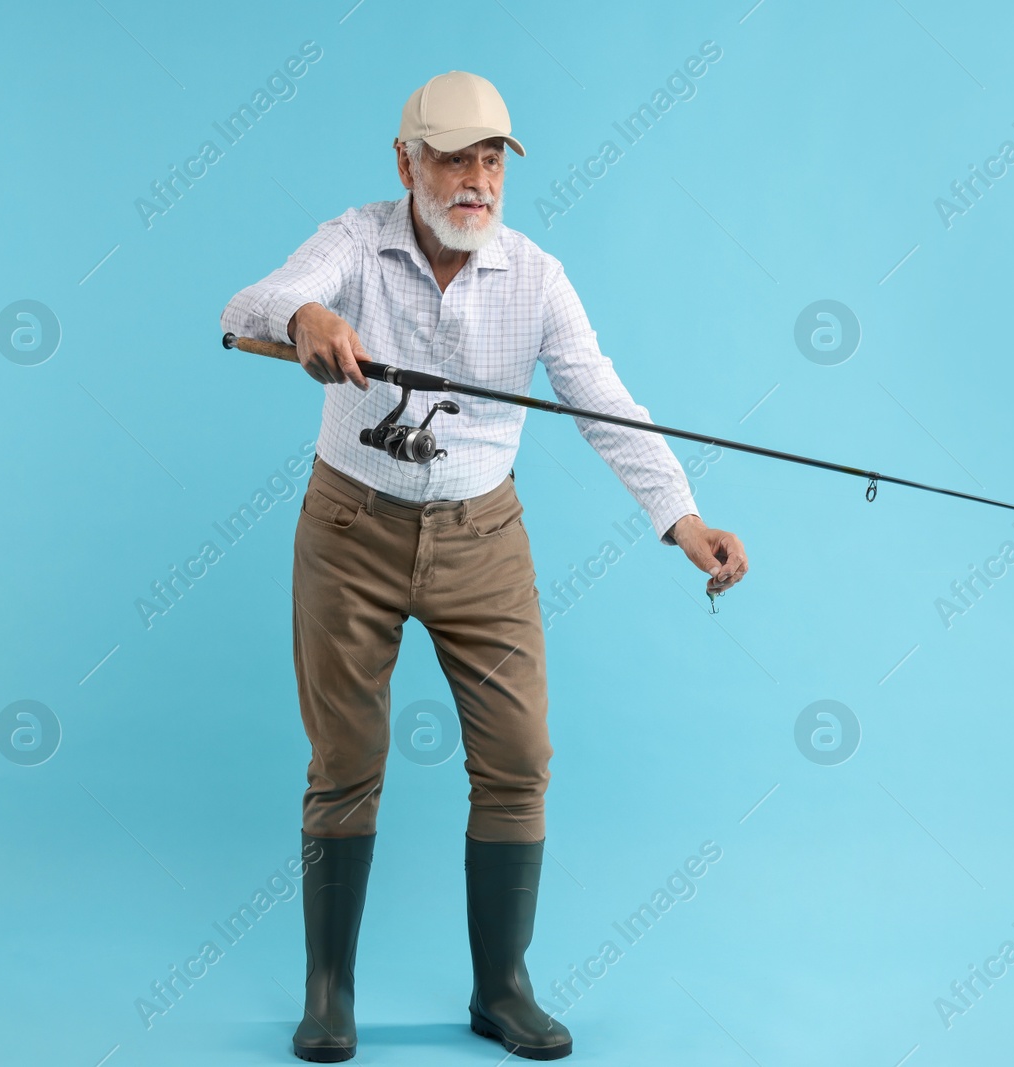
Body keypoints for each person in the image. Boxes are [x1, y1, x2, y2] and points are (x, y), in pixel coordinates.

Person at [219, 70, 748, 1062]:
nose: (475, 179)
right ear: (404, 160)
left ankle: (501, 987)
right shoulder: (354, 240)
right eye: (454, 156)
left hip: (482, 542)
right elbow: (254, 300)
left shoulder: (536, 276)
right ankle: (328, 991)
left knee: (517, 757)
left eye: (492, 157)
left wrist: (683, 518)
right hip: (350, 532)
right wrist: (304, 322)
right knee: (346, 762)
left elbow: (603, 400)